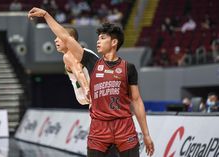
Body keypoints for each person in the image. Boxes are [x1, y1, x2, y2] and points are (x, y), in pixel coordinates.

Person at [28, 7, 154, 157]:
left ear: (114, 42)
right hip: (99, 130)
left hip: (124, 128)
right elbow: (67, 39)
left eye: (102, 38)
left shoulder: (129, 68)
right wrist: (46, 15)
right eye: (98, 37)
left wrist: (146, 134)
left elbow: (137, 101)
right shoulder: (92, 62)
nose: (98, 41)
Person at [54, 26, 98, 105]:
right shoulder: (84, 52)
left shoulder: (69, 55)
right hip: (102, 94)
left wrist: (86, 90)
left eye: (59, 37)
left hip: (96, 96)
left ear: (71, 39)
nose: (55, 40)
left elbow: (79, 72)